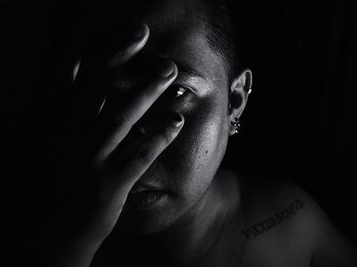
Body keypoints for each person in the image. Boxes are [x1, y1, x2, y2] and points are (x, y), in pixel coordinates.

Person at [51, 0, 357, 266]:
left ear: (235, 100)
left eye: (176, 92)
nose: (130, 136)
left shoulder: (289, 223)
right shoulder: (30, 236)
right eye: (105, 96)